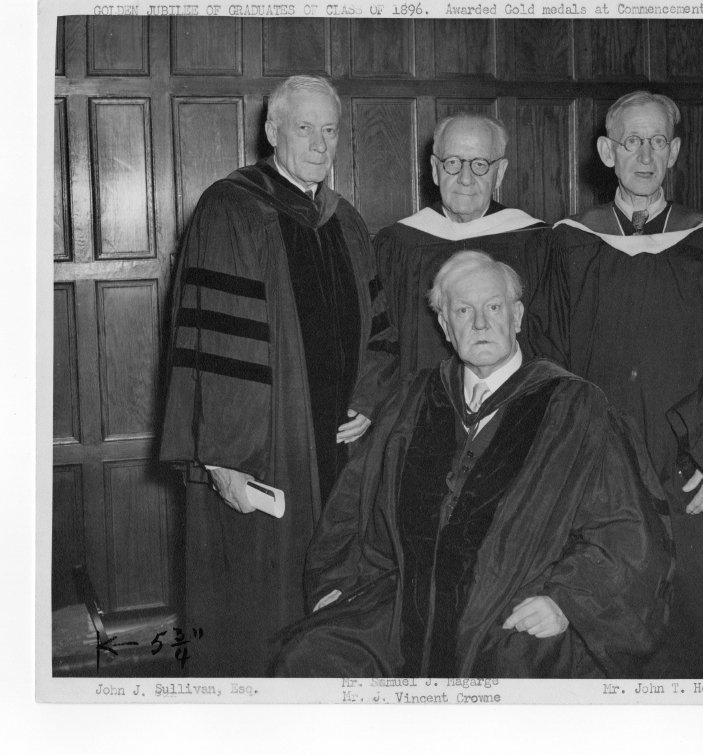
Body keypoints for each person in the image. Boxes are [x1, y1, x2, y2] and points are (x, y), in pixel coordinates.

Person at [275, 251, 672, 678]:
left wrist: (565, 601)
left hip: (511, 617)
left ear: (517, 317)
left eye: (494, 307)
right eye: (464, 311)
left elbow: (628, 531)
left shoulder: (575, 408)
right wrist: (334, 585)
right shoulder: (415, 398)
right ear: (445, 326)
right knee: (308, 658)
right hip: (404, 608)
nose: (480, 323)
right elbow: (351, 503)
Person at [527, 91, 703, 677]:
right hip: (599, 470)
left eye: (657, 141)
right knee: (602, 628)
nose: (645, 154)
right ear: (606, 152)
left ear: (676, 151)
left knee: (690, 630)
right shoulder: (569, 240)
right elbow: (545, 359)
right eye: (631, 141)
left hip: (691, 470)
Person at [160, 75, 398, 676]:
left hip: (338, 450)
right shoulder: (231, 209)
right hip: (266, 453)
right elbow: (214, 347)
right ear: (272, 132)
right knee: (256, 607)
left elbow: (381, 331)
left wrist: (368, 399)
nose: (320, 144)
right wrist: (222, 461)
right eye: (303, 128)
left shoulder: (345, 221)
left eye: (329, 130)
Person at [375, 114, 548, 376]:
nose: (465, 178)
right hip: (421, 406)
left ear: (499, 172)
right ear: (435, 169)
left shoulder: (535, 242)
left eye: (480, 164)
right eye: (452, 163)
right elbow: (381, 339)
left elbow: (547, 342)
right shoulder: (400, 244)